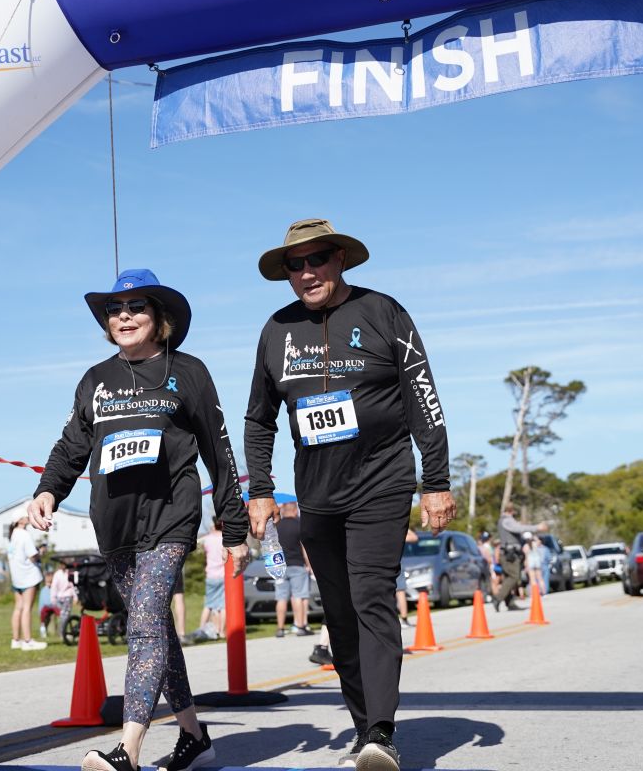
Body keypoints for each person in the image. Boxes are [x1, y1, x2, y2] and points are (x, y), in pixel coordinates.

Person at [244, 218, 455, 771]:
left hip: (382, 481)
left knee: (371, 599)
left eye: (317, 259)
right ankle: (365, 732)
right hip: (317, 493)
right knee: (338, 615)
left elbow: (423, 398)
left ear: (340, 259)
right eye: (295, 264)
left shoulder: (383, 311)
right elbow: (259, 419)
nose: (307, 272)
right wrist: (261, 490)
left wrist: (436, 481)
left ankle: (382, 730)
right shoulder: (277, 329)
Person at [27, 269, 250, 771]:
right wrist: (48, 490)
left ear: (159, 317)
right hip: (115, 524)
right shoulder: (95, 380)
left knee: (146, 624)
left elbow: (219, 453)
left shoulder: (188, 372)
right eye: (114, 309)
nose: (124, 316)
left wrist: (233, 528)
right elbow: (72, 445)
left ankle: (127, 750)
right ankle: (194, 736)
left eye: (136, 307)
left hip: (171, 516)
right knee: (157, 632)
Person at [492, 502, 548, 612]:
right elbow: (519, 528)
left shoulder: (505, 520)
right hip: (510, 554)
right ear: (511, 511)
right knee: (514, 577)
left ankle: (510, 602)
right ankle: (498, 598)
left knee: (508, 578)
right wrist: (537, 527)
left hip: (509, 553)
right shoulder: (507, 520)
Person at [274, 500, 313, 637]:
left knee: (281, 598)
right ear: (295, 510)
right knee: (298, 596)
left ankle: (280, 629)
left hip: (280, 566)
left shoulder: (277, 526)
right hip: (297, 564)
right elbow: (304, 548)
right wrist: (309, 564)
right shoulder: (299, 524)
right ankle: (300, 626)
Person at [8, 516, 46, 651]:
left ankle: (15, 640)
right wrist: (40, 552)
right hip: (28, 576)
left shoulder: (13, 535)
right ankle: (28, 641)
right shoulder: (24, 534)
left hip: (17, 577)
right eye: (25, 516)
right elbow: (32, 556)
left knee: (18, 608)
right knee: (26, 608)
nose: (28, 517)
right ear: (19, 520)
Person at [190, 520, 227, 642]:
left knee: (208, 605)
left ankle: (202, 628)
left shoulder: (208, 539)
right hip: (222, 575)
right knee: (222, 606)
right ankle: (221, 631)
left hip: (210, 575)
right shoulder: (224, 539)